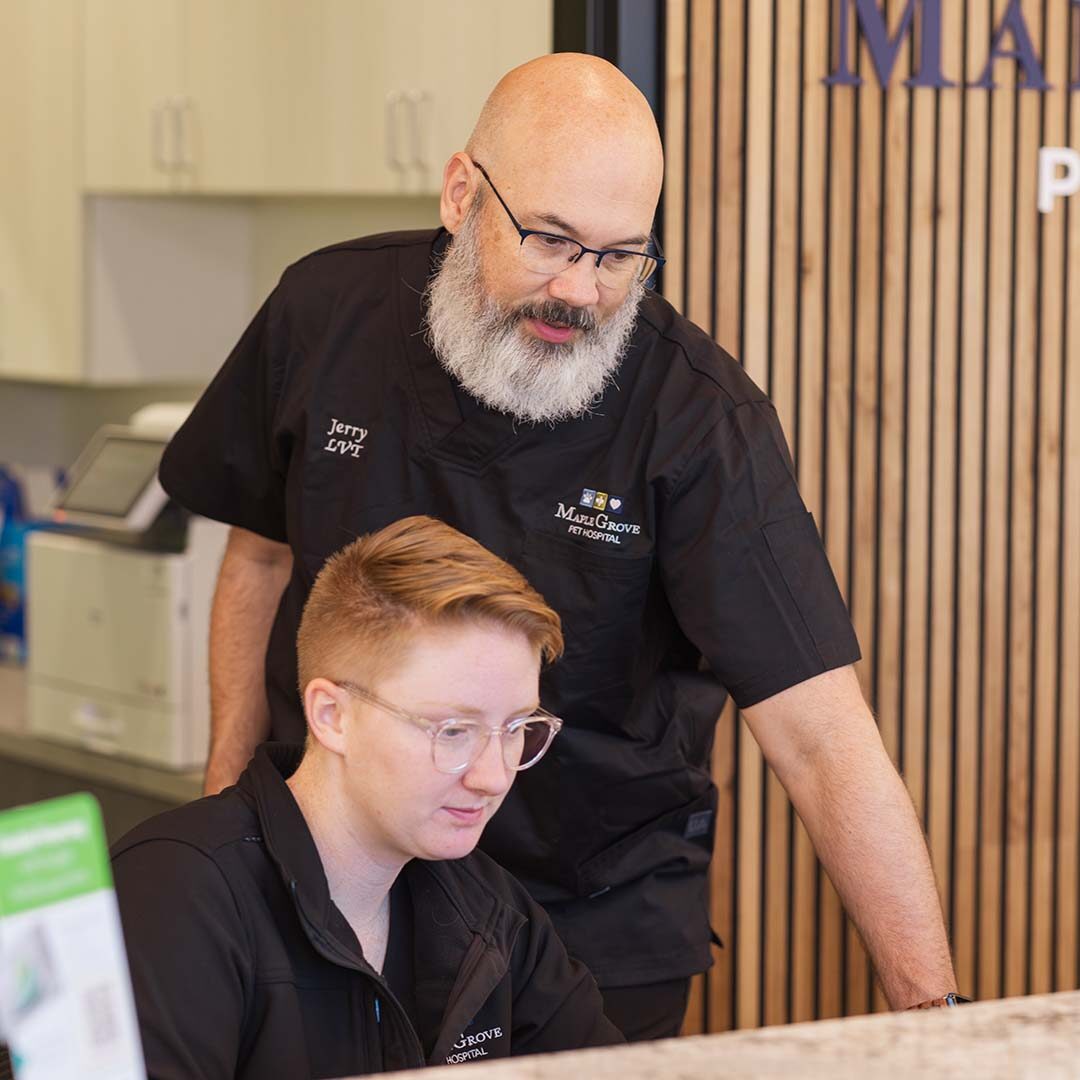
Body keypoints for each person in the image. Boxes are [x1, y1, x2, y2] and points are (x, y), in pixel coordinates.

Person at [158, 53, 961, 1038]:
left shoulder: (697, 418)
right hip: (337, 874)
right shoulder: (325, 316)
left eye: (620, 255)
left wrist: (937, 1022)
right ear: (462, 194)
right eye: (550, 239)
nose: (580, 291)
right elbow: (261, 560)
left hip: (588, 904)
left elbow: (820, 734)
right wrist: (230, 818)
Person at [111, 515, 622, 1079]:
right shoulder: (175, 896)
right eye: (453, 730)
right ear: (333, 716)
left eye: (517, 728)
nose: (494, 777)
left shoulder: (490, 910)